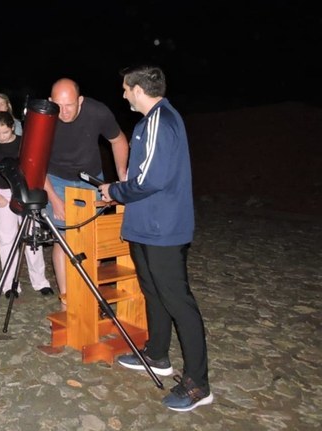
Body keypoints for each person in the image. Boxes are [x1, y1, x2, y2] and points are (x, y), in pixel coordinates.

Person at [98, 65, 212, 412]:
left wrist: (114, 190)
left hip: (163, 228)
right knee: (154, 292)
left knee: (178, 300)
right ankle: (158, 354)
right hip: (146, 225)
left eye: (125, 89)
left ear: (137, 89)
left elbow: (149, 179)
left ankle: (198, 384)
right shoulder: (150, 122)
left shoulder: (161, 120)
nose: (122, 94)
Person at [45, 78, 129, 309]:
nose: (64, 112)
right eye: (58, 106)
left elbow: (118, 139)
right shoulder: (44, 117)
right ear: (51, 102)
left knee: (90, 239)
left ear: (80, 100)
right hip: (55, 179)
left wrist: (122, 178)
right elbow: (35, 163)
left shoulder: (97, 111)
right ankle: (67, 299)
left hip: (90, 178)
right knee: (63, 240)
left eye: (70, 105)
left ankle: (90, 293)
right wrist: (54, 199)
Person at [0, 111, 53, 298]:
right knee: (7, 239)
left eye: (4, 132)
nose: (1, 137)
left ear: (12, 128)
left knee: (32, 236)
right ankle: (10, 285)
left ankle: (40, 281)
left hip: (26, 192)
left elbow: (36, 166)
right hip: (3, 193)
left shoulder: (24, 143)